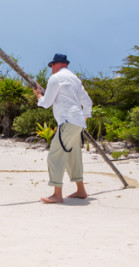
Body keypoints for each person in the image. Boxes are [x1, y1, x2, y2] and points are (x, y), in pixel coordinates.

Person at [33, 53, 94, 204]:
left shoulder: (55, 78)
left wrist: (38, 95)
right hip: (78, 122)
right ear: (65, 64)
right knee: (73, 157)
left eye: (51, 67)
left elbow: (46, 103)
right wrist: (84, 117)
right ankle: (80, 190)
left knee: (55, 156)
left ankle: (57, 194)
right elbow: (88, 102)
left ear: (54, 65)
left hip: (67, 121)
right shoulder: (75, 79)